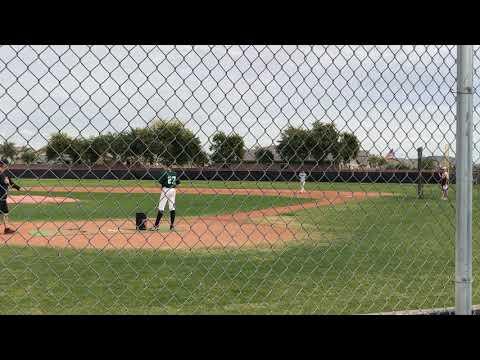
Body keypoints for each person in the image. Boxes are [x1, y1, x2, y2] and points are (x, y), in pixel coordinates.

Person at [153, 165, 180, 231]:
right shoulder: (175, 173)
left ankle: (156, 225)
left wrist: (162, 187)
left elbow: (160, 182)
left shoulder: (165, 173)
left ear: (167, 167)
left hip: (166, 190)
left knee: (161, 207)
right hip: (173, 190)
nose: (164, 168)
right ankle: (172, 225)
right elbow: (178, 183)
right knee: (172, 208)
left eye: (165, 166)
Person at [0, 159, 21, 235]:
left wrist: (19, 188)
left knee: (5, 213)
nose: (7, 166)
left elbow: (11, 183)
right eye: (6, 164)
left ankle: (7, 229)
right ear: (3, 165)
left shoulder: (4, 174)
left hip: (3, 198)